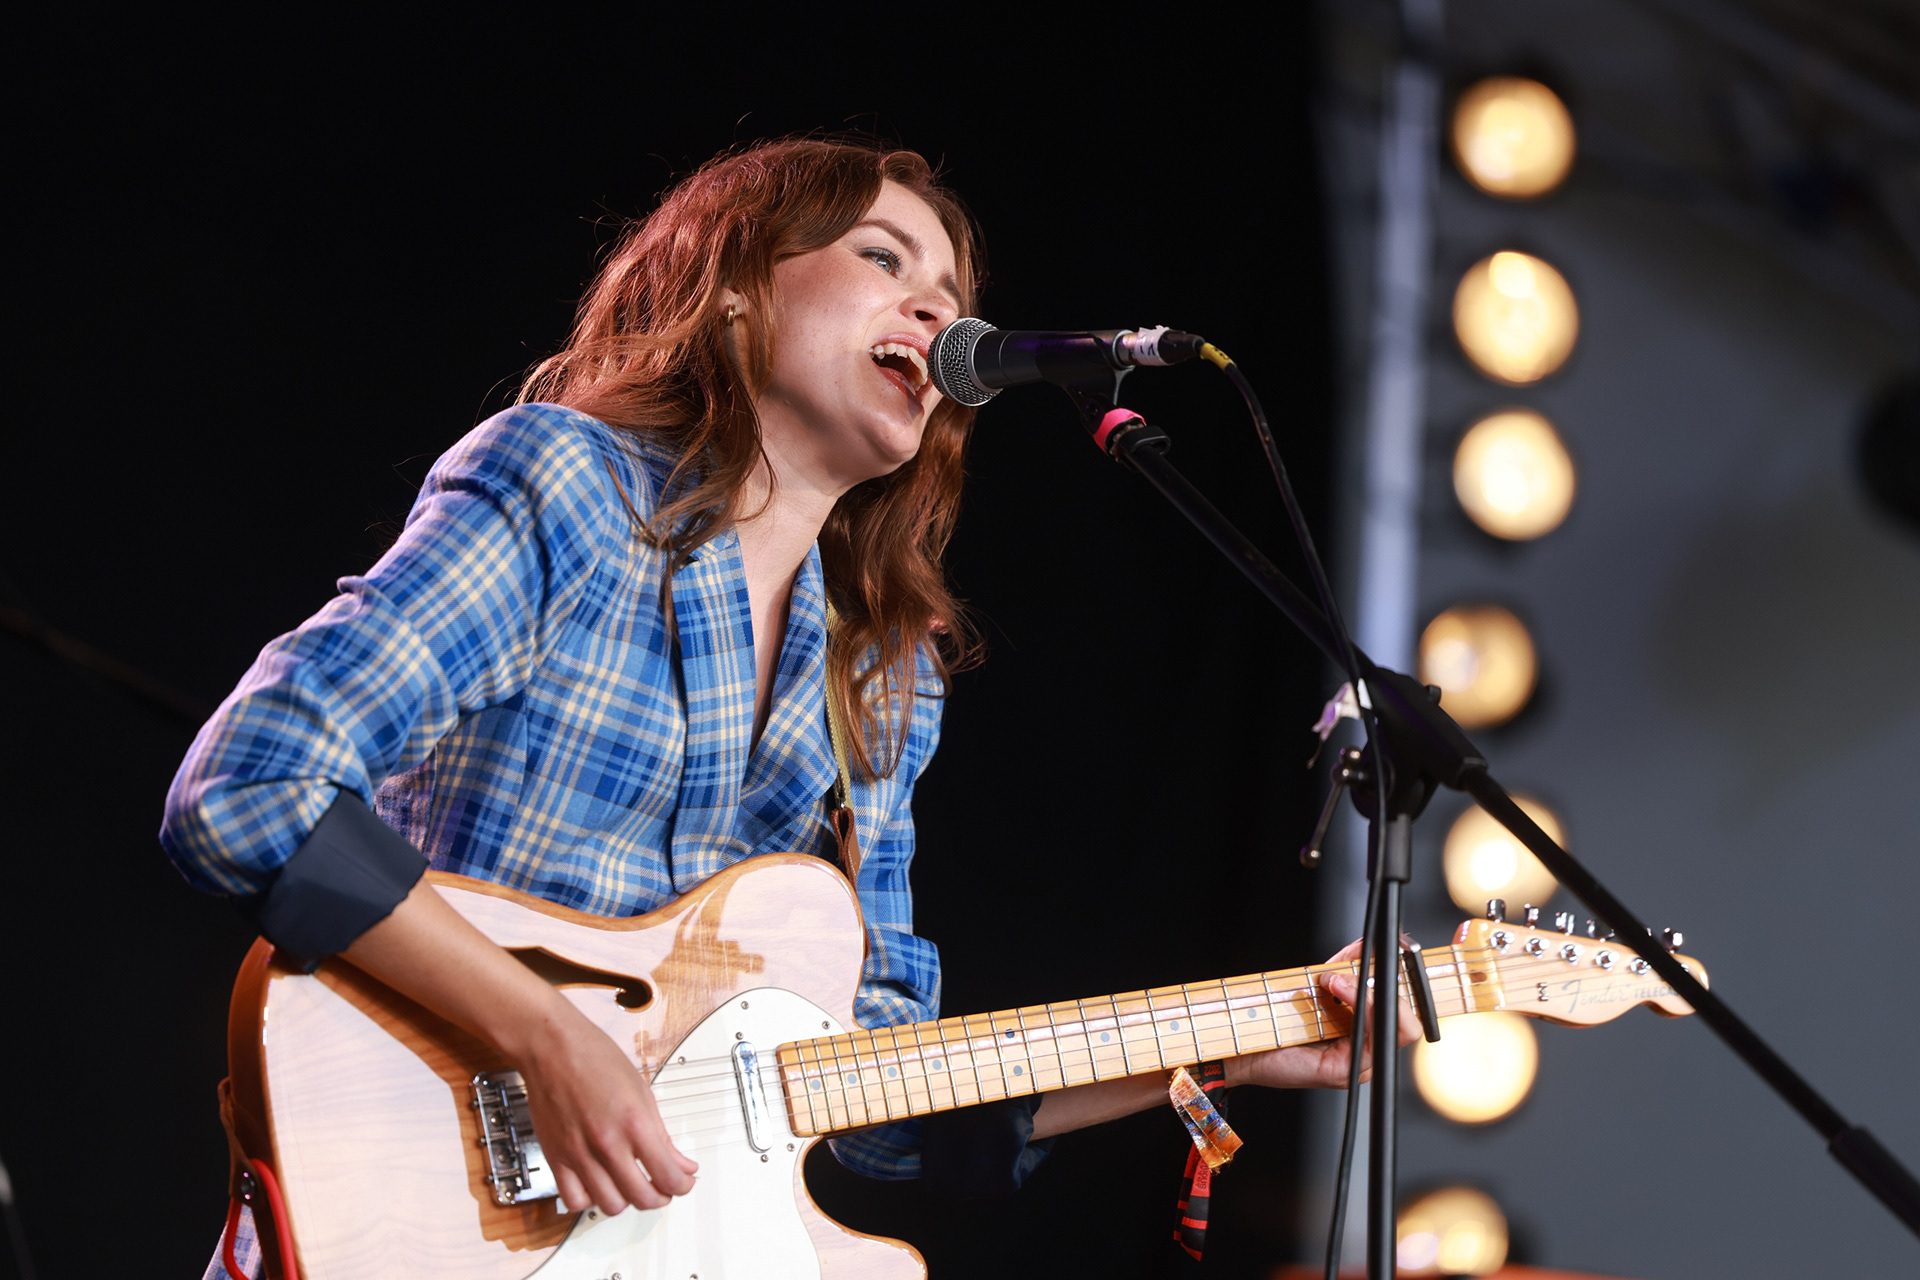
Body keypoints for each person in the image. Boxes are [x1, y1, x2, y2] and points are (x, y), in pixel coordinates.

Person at [161, 136, 1410, 1279]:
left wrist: (1248, 1034)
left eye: (953, 292)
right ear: (736, 290)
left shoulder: (884, 673)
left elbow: (875, 1105)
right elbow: (249, 785)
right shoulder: (569, 487)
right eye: (883, 258)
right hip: (405, 1200)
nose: (940, 311)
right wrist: (545, 1035)